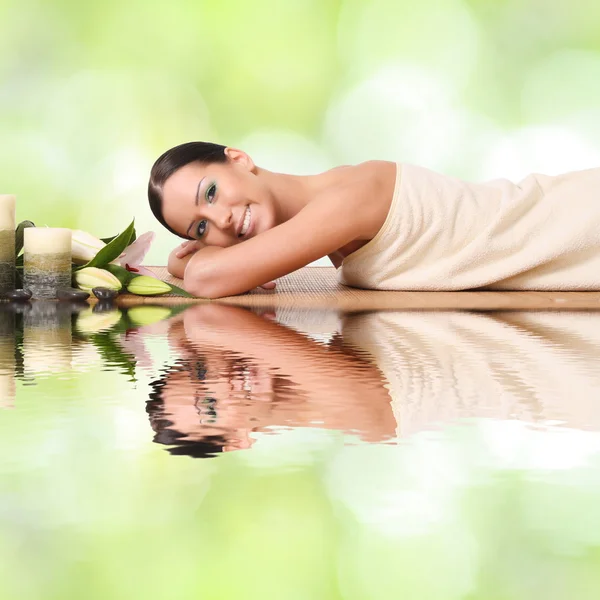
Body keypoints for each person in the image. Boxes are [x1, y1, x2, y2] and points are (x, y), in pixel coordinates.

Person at [148, 141, 600, 298]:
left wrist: (188, 262)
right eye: (201, 228)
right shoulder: (320, 220)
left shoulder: (349, 197)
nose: (221, 219)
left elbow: (207, 280)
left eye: (210, 192)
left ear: (240, 159)